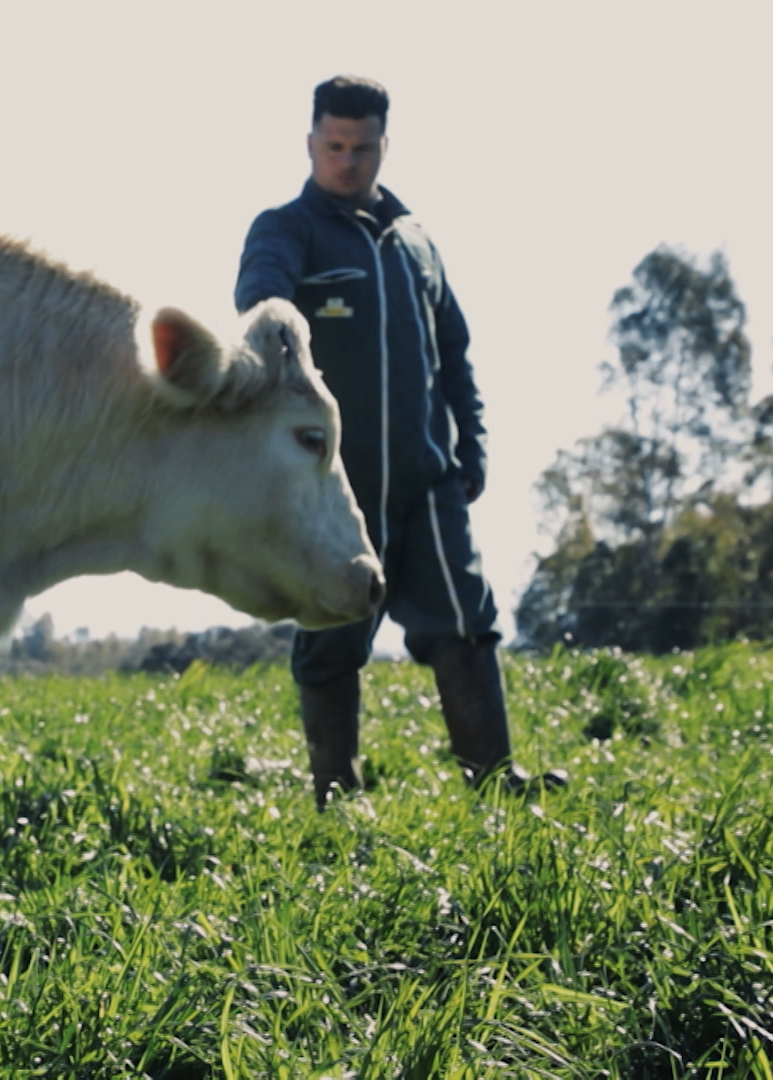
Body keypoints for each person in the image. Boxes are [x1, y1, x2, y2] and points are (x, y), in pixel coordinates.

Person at [234, 75, 563, 808]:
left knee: (465, 622)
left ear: (386, 145)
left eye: (364, 147)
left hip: (426, 475)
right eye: (335, 145)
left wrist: (470, 442)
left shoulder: (415, 242)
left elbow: (454, 349)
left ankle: (495, 784)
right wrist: (274, 312)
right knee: (333, 631)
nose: (349, 161)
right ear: (311, 142)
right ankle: (336, 796)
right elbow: (263, 297)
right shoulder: (287, 229)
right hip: (335, 485)